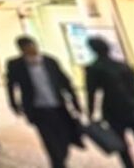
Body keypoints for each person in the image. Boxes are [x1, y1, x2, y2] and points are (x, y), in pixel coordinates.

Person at [6, 36, 82, 168]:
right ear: (21, 50)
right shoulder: (16, 65)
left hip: (58, 107)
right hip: (38, 110)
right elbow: (11, 85)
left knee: (64, 138)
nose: (31, 50)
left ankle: (60, 159)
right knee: (49, 141)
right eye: (27, 48)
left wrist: (75, 102)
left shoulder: (50, 61)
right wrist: (13, 104)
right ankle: (58, 164)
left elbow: (65, 82)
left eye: (32, 46)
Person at [86, 37, 134, 168]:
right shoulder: (124, 65)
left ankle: (129, 166)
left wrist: (90, 113)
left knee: (121, 145)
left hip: (114, 111)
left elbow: (91, 92)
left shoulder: (94, 69)